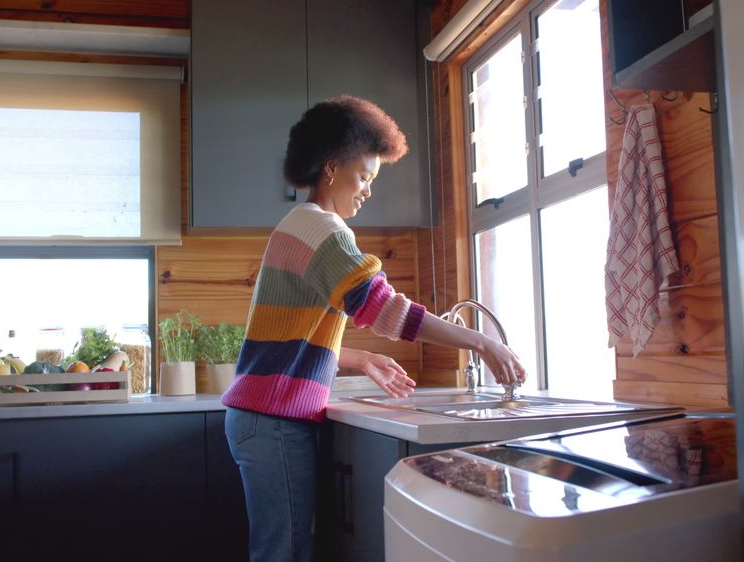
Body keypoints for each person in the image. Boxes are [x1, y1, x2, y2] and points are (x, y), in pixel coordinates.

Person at [221, 95, 526, 562]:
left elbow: (286, 338)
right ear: (330, 169)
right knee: (284, 554)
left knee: (281, 551)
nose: (367, 190)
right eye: (363, 176)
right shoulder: (322, 228)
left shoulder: (300, 225)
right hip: (274, 422)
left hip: (263, 419)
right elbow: (386, 310)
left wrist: (360, 358)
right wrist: (479, 341)